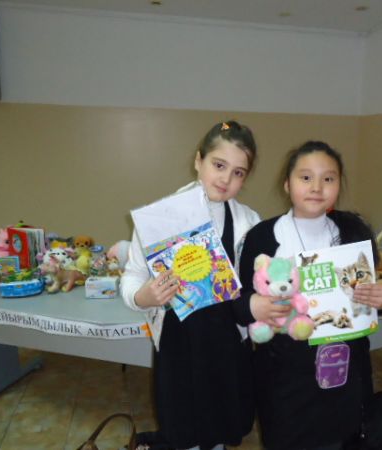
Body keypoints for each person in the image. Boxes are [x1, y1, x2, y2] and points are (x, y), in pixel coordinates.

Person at [234, 140, 382, 450]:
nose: (317, 187)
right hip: (284, 376)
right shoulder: (262, 237)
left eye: (328, 178)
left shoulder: (354, 233)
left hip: (345, 370)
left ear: (339, 185)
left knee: (345, 440)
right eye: (305, 177)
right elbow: (238, 305)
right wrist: (254, 306)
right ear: (287, 184)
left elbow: (372, 302)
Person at [120, 121, 260, 450]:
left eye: (238, 172)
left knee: (221, 427)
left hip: (228, 344)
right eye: (219, 165)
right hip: (180, 344)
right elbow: (132, 276)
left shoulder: (249, 222)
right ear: (199, 160)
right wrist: (144, 296)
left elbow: (260, 283)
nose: (226, 179)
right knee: (183, 429)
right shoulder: (160, 218)